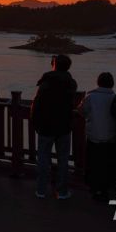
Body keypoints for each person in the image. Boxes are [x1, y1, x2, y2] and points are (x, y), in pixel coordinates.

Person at [31, 54, 78, 199]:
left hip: (45, 125)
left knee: (43, 158)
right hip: (64, 125)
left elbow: (36, 103)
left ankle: (41, 190)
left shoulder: (46, 81)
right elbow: (72, 103)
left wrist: (35, 121)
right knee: (63, 159)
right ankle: (62, 192)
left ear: (54, 64)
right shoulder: (71, 83)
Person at [79, 72, 116, 200]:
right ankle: (105, 189)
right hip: (110, 137)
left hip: (93, 136)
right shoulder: (114, 98)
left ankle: (95, 188)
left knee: (93, 163)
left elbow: (82, 110)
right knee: (106, 164)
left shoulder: (91, 97)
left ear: (98, 82)